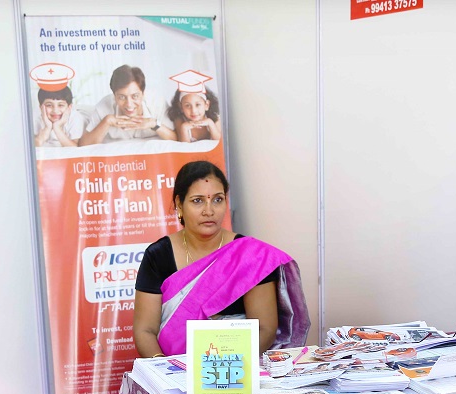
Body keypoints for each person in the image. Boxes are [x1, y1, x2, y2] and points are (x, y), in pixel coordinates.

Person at [131, 160, 310, 359]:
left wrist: (222, 366)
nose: (209, 211)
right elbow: (145, 330)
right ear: (179, 204)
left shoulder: (250, 256)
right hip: (172, 368)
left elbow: (264, 328)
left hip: (236, 365)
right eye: (197, 201)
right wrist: (164, 367)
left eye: (217, 199)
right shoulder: (157, 255)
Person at [80, 65, 176, 145]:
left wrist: (154, 124)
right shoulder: (104, 106)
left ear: (143, 94)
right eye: (122, 97)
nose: (129, 105)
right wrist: (107, 121)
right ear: (114, 96)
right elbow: (83, 144)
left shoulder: (157, 103)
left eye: (135, 96)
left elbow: (176, 138)